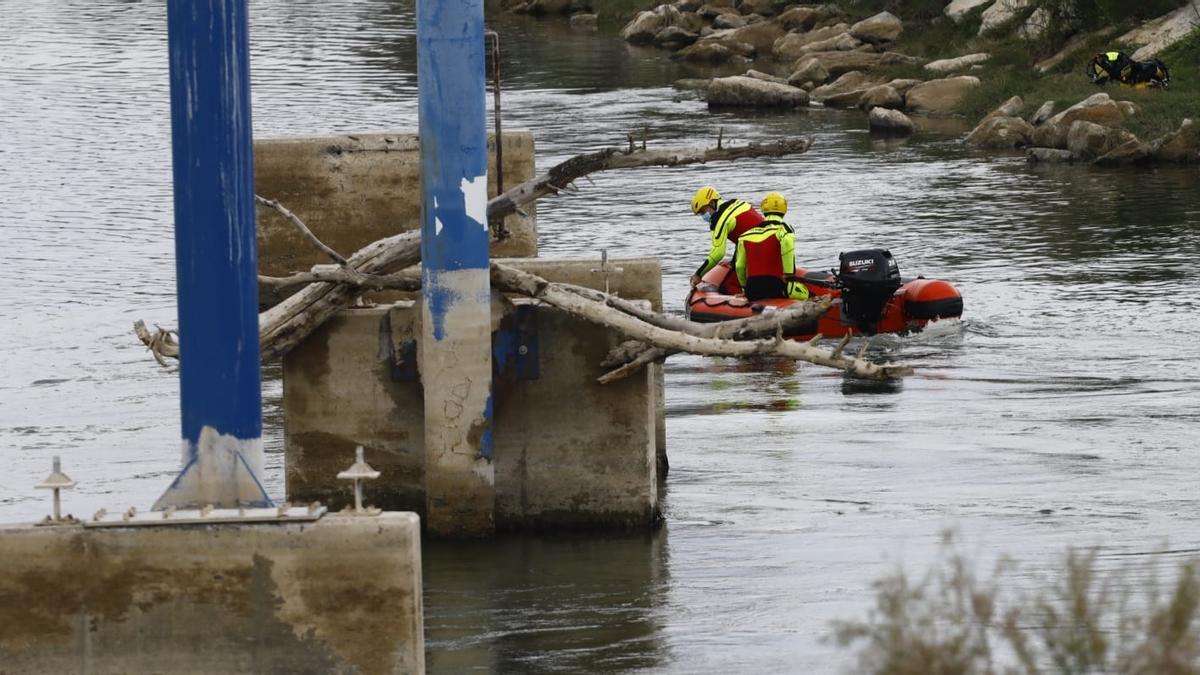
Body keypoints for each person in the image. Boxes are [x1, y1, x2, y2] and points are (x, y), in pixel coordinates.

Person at [687, 186, 764, 288]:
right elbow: (744, 237)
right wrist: (733, 261)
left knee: (727, 286)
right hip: (768, 245)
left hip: (756, 249)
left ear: (712, 203)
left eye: (703, 211)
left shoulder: (721, 220)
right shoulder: (738, 203)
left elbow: (718, 254)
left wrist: (698, 274)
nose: (703, 216)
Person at [759, 191, 809, 301]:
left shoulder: (752, 231)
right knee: (806, 294)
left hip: (752, 287)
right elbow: (788, 250)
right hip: (777, 283)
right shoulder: (786, 229)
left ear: (764, 207)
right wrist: (789, 276)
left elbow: (740, 265)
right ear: (784, 208)